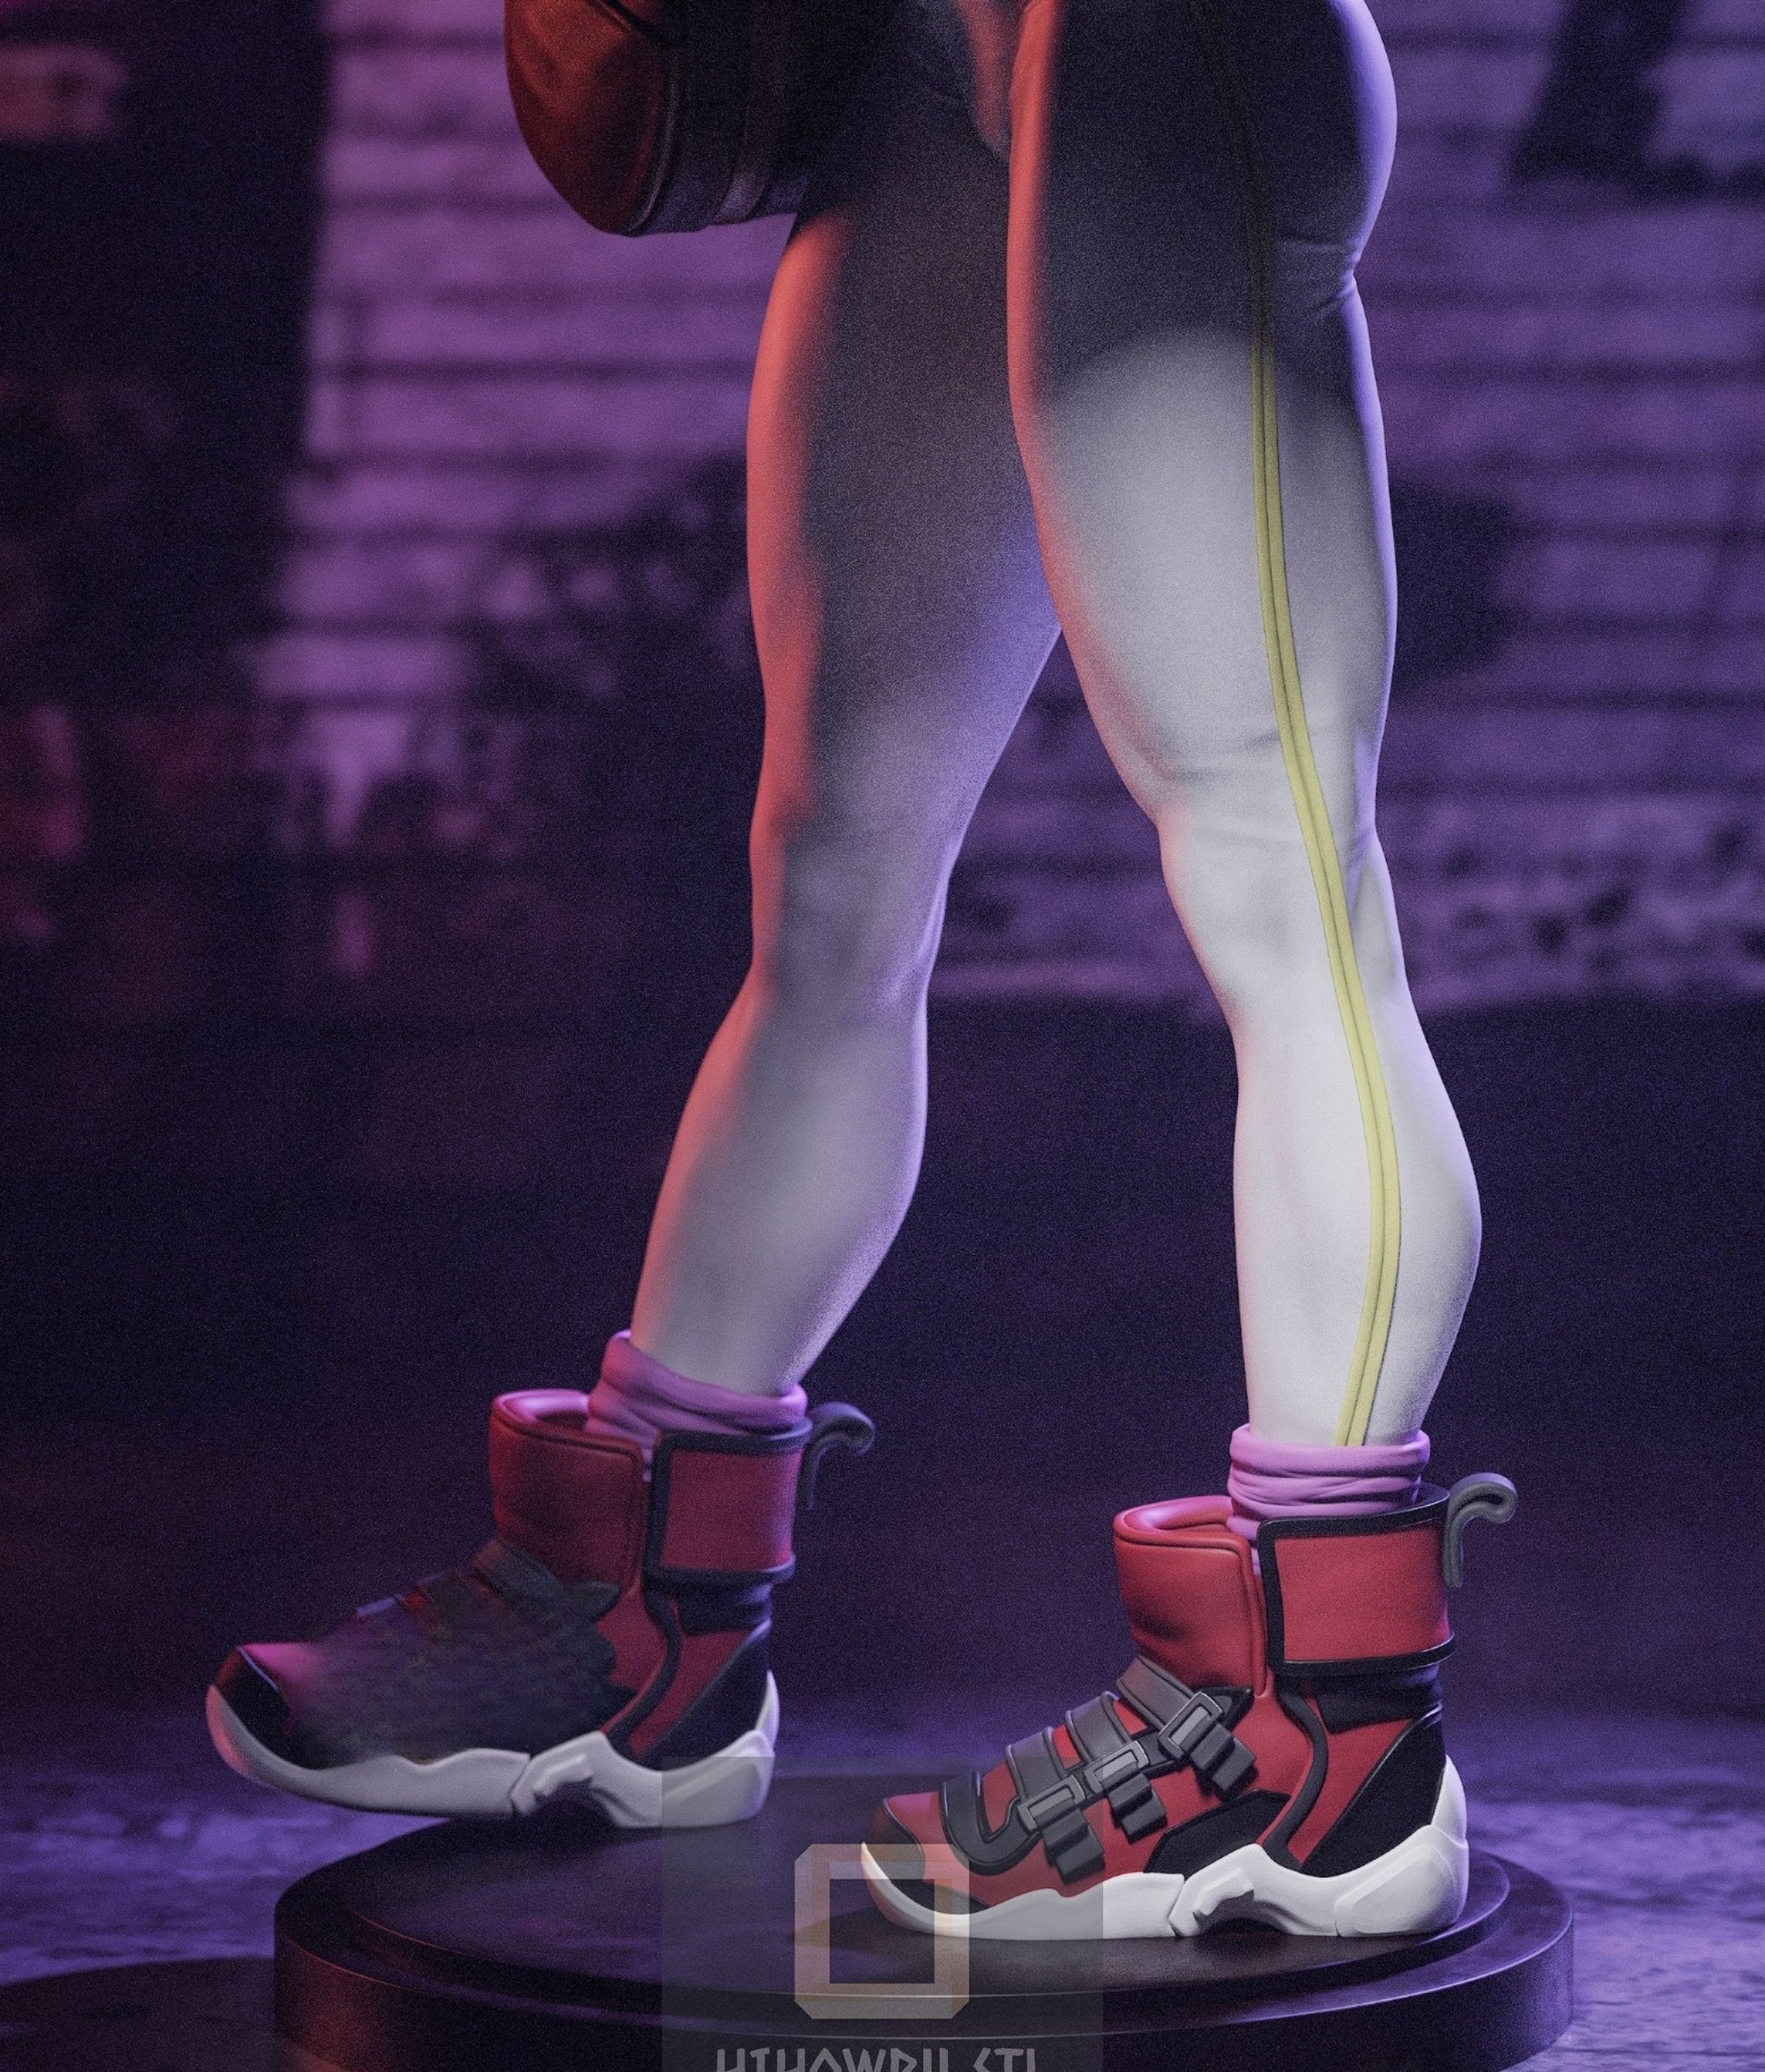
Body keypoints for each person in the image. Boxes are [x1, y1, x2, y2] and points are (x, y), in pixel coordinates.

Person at [208, 0, 1507, 1938]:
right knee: (828, 876)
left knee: (1279, 874)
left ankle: (1330, 1743)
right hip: (925, 62)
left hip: (1163, 46)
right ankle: (643, 1641)